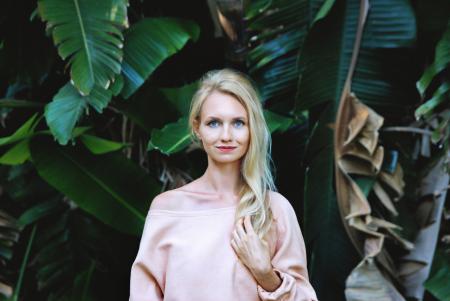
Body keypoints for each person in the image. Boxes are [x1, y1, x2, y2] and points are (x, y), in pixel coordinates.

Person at [129, 69, 317, 301]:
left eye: (238, 123)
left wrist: (266, 274)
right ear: (197, 128)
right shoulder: (168, 208)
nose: (226, 135)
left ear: (252, 129)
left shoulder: (275, 210)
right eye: (214, 123)